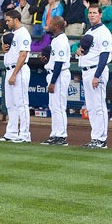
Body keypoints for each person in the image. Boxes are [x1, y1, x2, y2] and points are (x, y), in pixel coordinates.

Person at [77, 4, 112, 149]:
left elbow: (104, 55)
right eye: (90, 13)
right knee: (91, 107)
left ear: (100, 15)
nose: (92, 15)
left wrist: (97, 76)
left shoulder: (104, 32)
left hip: (96, 71)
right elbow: (86, 51)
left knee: (98, 106)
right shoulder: (90, 30)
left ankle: (101, 139)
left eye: (95, 13)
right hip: (87, 71)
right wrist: (79, 52)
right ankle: (95, 137)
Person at [0, 10, 32, 143]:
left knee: (21, 104)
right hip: (9, 69)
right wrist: (3, 46)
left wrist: (14, 74)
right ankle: (11, 133)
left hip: (19, 70)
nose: (7, 22)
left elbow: (23, 55)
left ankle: (24, 134)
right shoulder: (13, 34)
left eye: (8, 20)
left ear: (16, 19)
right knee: (10, 104)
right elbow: (7, 45)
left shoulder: (23, 33)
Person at [40, 16, 71, 146]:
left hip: (59, 75)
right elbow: (54, 61)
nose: (49, 25)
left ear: (57, 26)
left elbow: (59, 63)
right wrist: (47, 62)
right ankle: (55, 134)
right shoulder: (56, 39)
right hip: (55, 73)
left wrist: (52, 82)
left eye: (51, 23)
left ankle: (61, 136)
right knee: (54, 106)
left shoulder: (61, 40)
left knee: (58, 106)